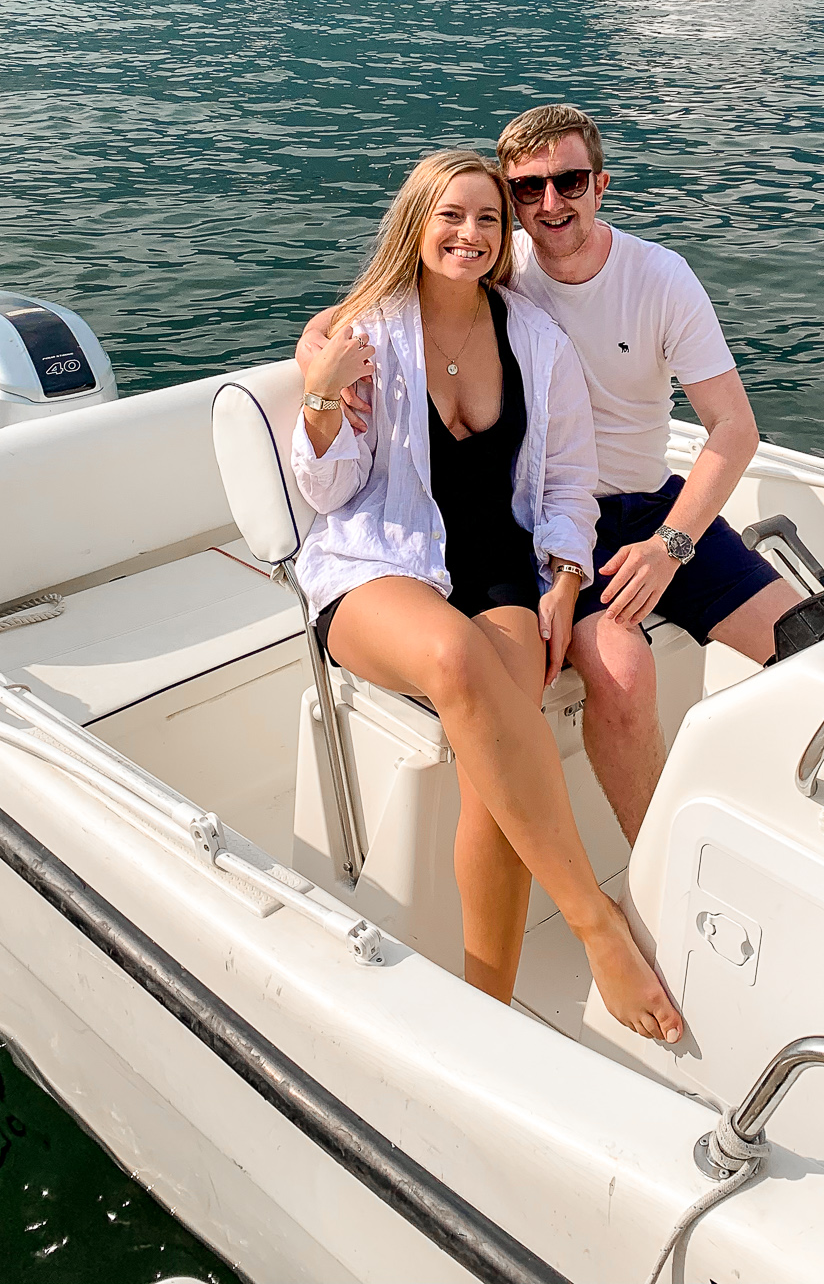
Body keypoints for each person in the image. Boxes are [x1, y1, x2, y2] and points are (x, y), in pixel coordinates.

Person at [300, 107, 800, 848]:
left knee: (813, 648)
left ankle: (803, 825)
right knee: (625, 679)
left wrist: (672, 545)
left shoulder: (659, 277)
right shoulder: (498, 272)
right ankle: (658, 881)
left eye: (568, 182)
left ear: (601, 184)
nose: (549, 204)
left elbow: (734, 430)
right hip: (559, 519)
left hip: (660, 512)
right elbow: (365, 313)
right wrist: (318, 358)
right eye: (526, 190)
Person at [292, 147, 683, 1042]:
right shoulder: (365, 333)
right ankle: (597, 924)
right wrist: (321, 393)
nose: (471, 235)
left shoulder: (534, 338)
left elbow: (568, 485)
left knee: (496, 763)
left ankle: (487, 1016)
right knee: (456, 658)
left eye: (486, 220)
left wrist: (565, 579)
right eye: (451, 217)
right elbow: (325, 489)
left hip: (504, 570)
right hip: (377, 565)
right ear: (415, 225)